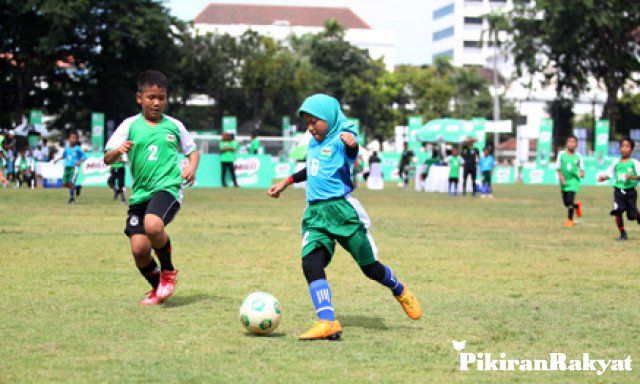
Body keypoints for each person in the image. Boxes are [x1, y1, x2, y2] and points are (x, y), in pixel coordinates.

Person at [267, 94, 422, 341]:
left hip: (342, 212)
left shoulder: (342, 139)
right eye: (306, 123)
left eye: (314, 122)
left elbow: (352, 149)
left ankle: (399, 290)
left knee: (370, 268)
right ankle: (328, 321)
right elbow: (312, 169)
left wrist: (352, 144)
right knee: (310, 263)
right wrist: (285, 182)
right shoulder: (314, 144)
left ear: (328, 118)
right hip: (315, 214)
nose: (310, 128)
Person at [103, 70, 200, 305]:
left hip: (168, 187)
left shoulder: (174, 126)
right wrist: (117, 151)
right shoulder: (129, 125)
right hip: (140, 194)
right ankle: (158, 288)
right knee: (139, 250)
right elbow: (107, 158)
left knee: (153, 226)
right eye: (151, 97)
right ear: (139, 98)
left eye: (161, 98)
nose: (156, 103)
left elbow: (192, 150)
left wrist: (191, 168)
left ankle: (168, 272)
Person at [598, 138, 640, 240]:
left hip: (630, 192)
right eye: (622, 146)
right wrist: (604, 177)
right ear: (620, 148)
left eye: (627, 146)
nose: (624, 149)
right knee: (618, 211)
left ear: (632, 149)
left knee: (631, 216)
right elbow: (609, 173)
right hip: (618, 191)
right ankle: (622, 233)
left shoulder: (634, 163)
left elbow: (639, 175)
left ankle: (638, 216)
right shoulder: (616, 162)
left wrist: (632, 177)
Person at [556, 135, 584, 227]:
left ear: (576, 145)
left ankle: (570, 220)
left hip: (574, 182)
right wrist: (561, 177)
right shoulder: (561, 154)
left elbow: (582, 168)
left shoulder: (578, 156)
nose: (571, 143)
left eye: (573, 142)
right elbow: (558, 168)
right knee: (566, 203)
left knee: (570, 199)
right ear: (566, 143)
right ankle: (577, 206)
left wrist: (582, 173)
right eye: (569, 141)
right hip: (564, 182)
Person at [54, 132, 87, 203]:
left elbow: (84, 157)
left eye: (74, 138)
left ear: (77, 140)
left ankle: (72, 198)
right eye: (71, 138)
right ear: (69, 139)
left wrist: (79, 162)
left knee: (71, 183)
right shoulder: (66, 148)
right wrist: (57, 160)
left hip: (74, 168)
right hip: (67, 168)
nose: (72, 139)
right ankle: (77, 188)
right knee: (64, 184)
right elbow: (64, 156)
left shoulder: (78, 149)